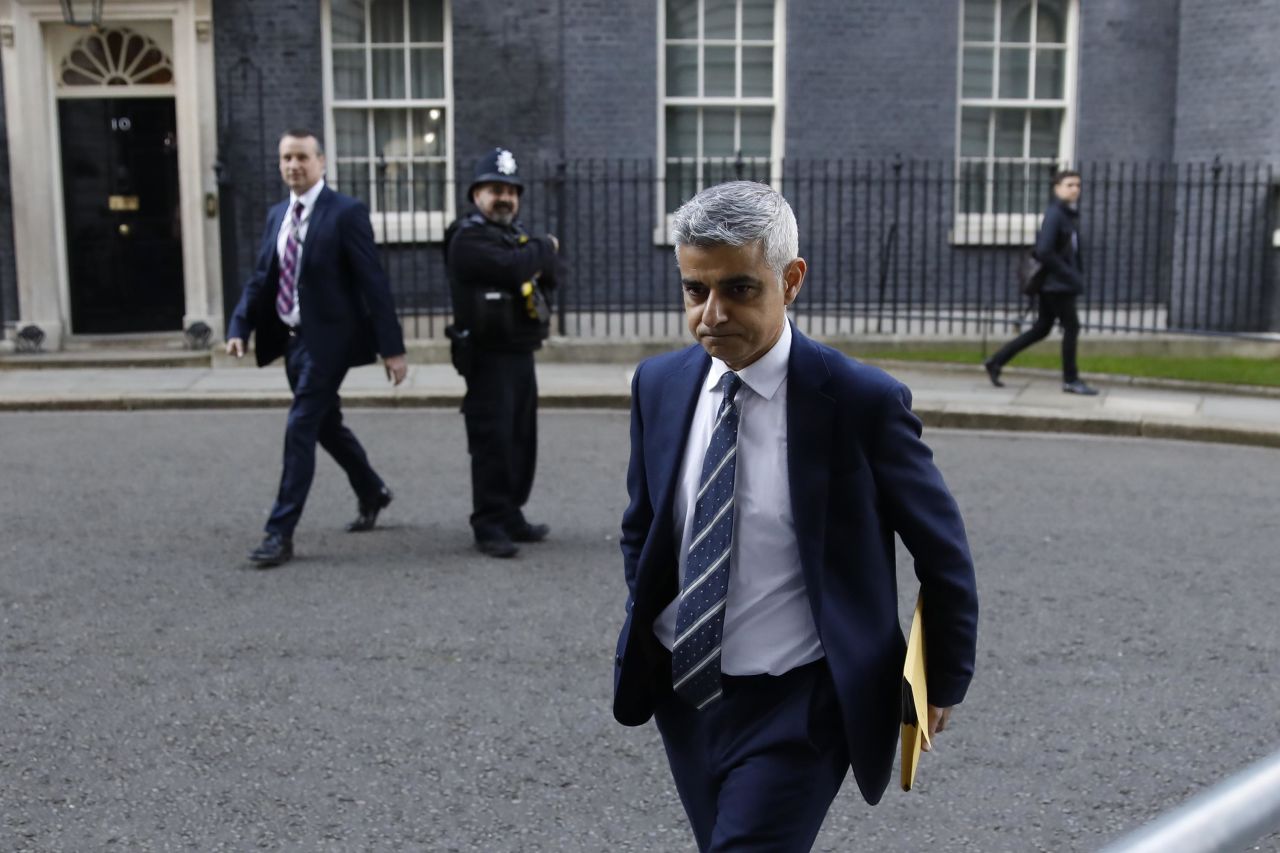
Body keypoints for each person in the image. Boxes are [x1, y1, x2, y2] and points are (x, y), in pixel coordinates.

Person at [613, 181, 980, 851]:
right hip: (688, 694)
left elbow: (943, 551)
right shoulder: (660, 385)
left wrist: (943, 678)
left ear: (792, 279)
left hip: (801, 705)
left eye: (740, 289)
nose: (712, 314)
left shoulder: (860, 401)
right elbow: (644, 523)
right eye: (696, 291)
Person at [226, 129, 407, 568]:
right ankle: (372, 490)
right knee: (326, 425)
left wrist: (392, 348)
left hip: (330, 342)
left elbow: (373, 282)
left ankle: (278, 533)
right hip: (292, 341)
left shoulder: (345, 212)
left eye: (302, 157)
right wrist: (240, 325)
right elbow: (260, 277)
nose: (294, 165)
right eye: (287, 158)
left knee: (301, 426)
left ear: (321, 162)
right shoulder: (277, 216)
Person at [444, 148, 559, 559]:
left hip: (520, 352)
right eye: (495, 189)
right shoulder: (466, 238)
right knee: (492, 441)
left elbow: (553, 276)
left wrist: (535, 254)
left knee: (520, 440)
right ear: (476, 194)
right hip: (487, 356)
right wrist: (543, 248)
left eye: (511, 190)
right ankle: (488, 522)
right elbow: (516, 269)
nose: (504, 198)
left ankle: (511, 513)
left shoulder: (514, 237)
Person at [984, 170, 1099, 395]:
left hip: (1058, 283)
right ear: (1057, 188)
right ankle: (1071, 379)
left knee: (1042, 328)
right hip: (1056, 285)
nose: (1075, 189)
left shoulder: (1066, 214)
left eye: (1077, 185)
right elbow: (1044, 251)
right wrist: (1069, 274)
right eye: (1069, 185)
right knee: (1072, 327)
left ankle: (996, 361)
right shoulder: (1055, 214)